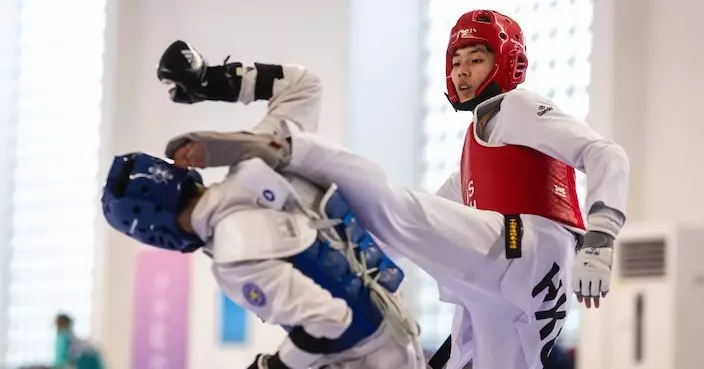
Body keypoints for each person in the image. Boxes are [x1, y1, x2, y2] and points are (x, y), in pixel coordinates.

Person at [155, 10, 630, 366]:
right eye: (457, 60)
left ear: (506, 62)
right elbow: (429, 212)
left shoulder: (518, 109)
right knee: (400, 225)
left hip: (529, 246)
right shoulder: (479, 147)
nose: (463, 71)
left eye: (476, 58)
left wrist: (602, 238)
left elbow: (605, 153)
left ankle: (286, 150)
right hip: (514, 281)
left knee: (396, 210)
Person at [100, 150, 425, 368]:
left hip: (366, 357)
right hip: (398, 325)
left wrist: (273, 366)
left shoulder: (233, 254)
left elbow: (328, 318)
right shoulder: (254, 174)